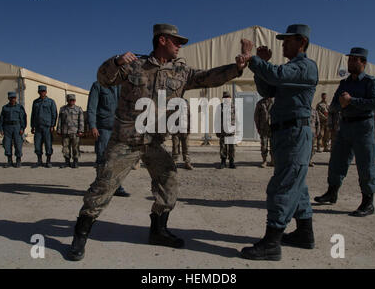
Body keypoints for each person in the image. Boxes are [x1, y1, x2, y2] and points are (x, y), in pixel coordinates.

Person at [67, 23, 246, 261]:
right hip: (126, 141)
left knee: (169, 182)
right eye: (177, 42)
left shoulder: (181, 72)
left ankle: (158, 230)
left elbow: (207, 78)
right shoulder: (134, 65)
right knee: (103, 187)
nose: (180, 46)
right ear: (162, 41)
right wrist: (116, 61)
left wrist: (236, 68)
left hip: (154, 142)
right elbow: (103, 79)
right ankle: (80, 235)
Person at [238, 24, 318, 261]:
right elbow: (268, 89)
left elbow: (276, 76)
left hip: (295, 132)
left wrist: (253, 58)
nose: (283, 44)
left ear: (301, 42)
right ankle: (305, 233)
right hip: (285, 133)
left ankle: (272, 243)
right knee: (297, 185)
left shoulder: (306, 66)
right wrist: (260, 65)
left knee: (282, 186)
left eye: (288, 41)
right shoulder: (290, 67)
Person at [314, 47, 375, 218]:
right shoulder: (345, 83)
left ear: (363, 62)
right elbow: (334, 105)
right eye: (349, 59)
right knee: (337, 161)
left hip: (363, 127)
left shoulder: (370, 82)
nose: (350, 62)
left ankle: (368, 202)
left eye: (354, 59)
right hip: (345, 127)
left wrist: (351, 101)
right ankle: (332, 192)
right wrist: (342, 104)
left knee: (365, 165)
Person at [87, 81, 130, 196]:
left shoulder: (123, 86)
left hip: (119, 129)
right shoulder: (98, 85)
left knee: (117, 158)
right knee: (102, 158)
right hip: (103, 129)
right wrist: (93, 126)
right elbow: (91, 107)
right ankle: (99, 186)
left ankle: (117, 187)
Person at [0, 92, 27, 168]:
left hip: (17, 127)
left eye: (14, 98)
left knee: (18, 144)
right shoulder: (5, 108)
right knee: (7, 144)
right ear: (8, 98)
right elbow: (1, 119)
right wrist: (1, 128)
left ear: (16, 98)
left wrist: (22, 128)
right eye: (11, 98)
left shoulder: (20, 107)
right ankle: (9, 161)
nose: (12, 99)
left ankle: (18, 160)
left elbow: (23, 119)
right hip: (7, 127)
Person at [31, 85, 57, 168]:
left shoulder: (51, 102)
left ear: (46, 92)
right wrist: (32, 126)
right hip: (38, 127)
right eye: (40, 91)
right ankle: (39, 160)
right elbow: (33, 115)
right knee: (37, 144)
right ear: (38, 92)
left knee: (48, 144)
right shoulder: (35, 102)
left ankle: (48, 161)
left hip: (47, 127)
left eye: (43, 91)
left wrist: (53, 125)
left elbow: (54, 114)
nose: (42, 93)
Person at [57, 94, 85, 168]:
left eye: (73, 100)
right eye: (70, 100)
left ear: (75, 101)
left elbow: (81, 121)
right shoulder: (63, 109)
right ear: (67, 100)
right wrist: (59, 130)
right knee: (65, 147)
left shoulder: (78, 109)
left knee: (75, 147)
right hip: (65, 131)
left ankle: (75, 161)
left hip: (75, 132)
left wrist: (81, 130)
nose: (72, 101)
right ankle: (67, 162)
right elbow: (60, 120)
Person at [171, 98, 193, 170]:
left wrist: (189, 128)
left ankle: (187, 163)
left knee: (186, 147)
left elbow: (189, 116)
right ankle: (174, 163)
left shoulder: (186, 103)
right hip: (175, 129)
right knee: (175, 147)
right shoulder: (174, 103)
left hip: (184, 129)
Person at [216, 91, 237, 169]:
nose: (226, 99)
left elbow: (237, 120)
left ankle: (231, 162)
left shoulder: (234, 107)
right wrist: (217, 131)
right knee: (223, 147)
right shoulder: (220, 107)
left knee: (232, 147)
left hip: (231, 131)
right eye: (225, 97)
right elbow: (217, 120)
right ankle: (223, 162)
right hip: (222, 131)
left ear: (230, 98)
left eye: (228, 97)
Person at [254, 97, 274, 167]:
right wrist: (258, 127)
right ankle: (264, 160)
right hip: (264, 128)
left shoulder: (276, 102)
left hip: (274, 128)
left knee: (273, 145)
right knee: (264, 146)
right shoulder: (260, 103)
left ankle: (273, 160)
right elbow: (256, 116)